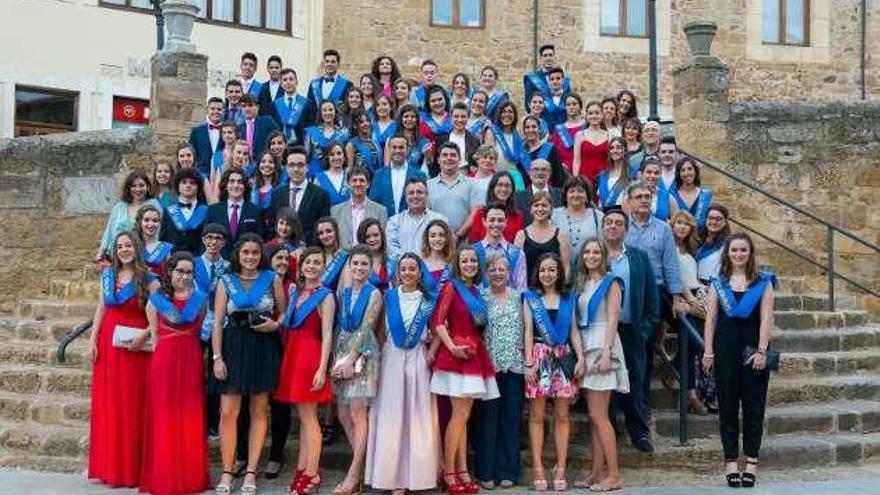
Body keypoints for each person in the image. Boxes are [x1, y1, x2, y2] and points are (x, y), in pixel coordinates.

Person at [211, 234, 286, 495]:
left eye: (255, 252)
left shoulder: (272, 279)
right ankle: (228, 470)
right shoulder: (225, 281)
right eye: (246, 252)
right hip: (233, 347)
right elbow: (218, 322)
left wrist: (276, 325)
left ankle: (251, 471)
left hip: (263, 347)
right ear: (238, 255)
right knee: (228, 411)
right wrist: (217, 357)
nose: (251, 257)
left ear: (261, 255)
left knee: (258, 411)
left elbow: (284, 312)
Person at [702, 233, 775, 488]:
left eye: (743, 250)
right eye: (734, 250)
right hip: (724, 350)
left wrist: (762, 351)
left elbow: (767, 318)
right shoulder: (718, 283)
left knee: (754, 407)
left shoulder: (764, 282)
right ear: (728, 253)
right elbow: (710, 319)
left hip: (754, 350)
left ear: (750, 252)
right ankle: (731, 462)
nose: (738, 254)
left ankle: (752, 462)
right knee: (728, 407)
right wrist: (708, 351)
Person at [365, 254, 441, 493]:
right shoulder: (388, 298)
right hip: (392, 358)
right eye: (403, 269)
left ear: (420, 273)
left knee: (417, 416)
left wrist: (432, 353)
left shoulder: (429, 299)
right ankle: (393, 477)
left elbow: (438, 329)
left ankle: (416, 475)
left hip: (418, 357)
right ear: (397, 273)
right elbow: (378, 331)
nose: (407, 272)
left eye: (412, 269)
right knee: (392, 416)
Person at [87, 231, 158, 488]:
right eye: (119, 246)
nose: (124, 250)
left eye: (128, 245)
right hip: (108, 346)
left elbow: (161, 313)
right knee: (110, 405)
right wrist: (93, 339)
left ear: (136, 248)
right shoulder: (108, 276)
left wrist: (145, 335)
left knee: (131, 405)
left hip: (134, 348)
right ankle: (109, 467)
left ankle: (132, 469)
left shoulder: (149, 278)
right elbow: (101, 308)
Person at [428, 246, 500, 495]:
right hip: (455, 355)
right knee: (458, 416)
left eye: (472, 260)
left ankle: (461, 469)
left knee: (464, 416)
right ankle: (449, 472)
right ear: (458, 264)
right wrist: (451, 347)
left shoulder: (476, 292)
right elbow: (438, 321)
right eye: (464, 260)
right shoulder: (451, 287)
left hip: (474, 353)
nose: (469, 264)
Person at [140, 252, 211, 495]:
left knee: (190, 413)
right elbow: (154, 335)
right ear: (170, 272)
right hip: (165, 359)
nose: (184, 276)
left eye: (189, 272)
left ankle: (191, 475)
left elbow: (199, 328)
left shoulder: (200, 299)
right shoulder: (156, 299)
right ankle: (166, 474)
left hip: (190, 356)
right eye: (180, 271)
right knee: (165, 413)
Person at [522, 252, 586, 491]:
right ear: (537, 274)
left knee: (562, 415)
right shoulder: (530, 298)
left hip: (563, 357)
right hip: (539, 356)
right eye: (542, 270)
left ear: (559, 273)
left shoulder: (568, 299)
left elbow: (574, 332)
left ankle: (560, 467)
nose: (547, 274)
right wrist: (528, 363)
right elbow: (528, 331)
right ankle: (538, 467)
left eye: (551, 270)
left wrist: (581, 358)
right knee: (537, 415)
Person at [625, 182, 684, 437]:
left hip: (654, 294)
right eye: (638, 197)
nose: (643, 201)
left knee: (645, 350)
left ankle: (642, 403)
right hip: (626, 292)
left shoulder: (662, 229)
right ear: (628, 201)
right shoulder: (619, 225)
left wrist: (677, 296)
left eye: (647, 196)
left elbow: (670, 264)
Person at [275, 247, 335, 495]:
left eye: (316, 262)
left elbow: (328, 333)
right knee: (303, 417)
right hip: (294, 354)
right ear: (301, 267)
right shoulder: (298, 293)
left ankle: (312, 473)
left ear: (323, 267)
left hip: (310, 357)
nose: (311, 266)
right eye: (308, 262)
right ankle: (302, 467)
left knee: (310, 419)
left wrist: (322, 369)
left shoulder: (325, 296)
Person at [601, 207, 659, 454]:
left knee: (635, 381)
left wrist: (644, 330)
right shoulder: (593, 254)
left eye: (618, 223)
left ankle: (639, 433)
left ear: (626, 230)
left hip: (631, 331)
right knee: (606, 385)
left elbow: (652, 299)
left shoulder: (638, 257)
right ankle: (607, 433)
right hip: (602, 332)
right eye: (609, 223)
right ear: (603, 228)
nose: (613, 226)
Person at [574, 239, 628, 492]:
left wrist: (607, 353)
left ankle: (614, 475)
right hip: (586, 346)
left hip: (603, 346)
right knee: (595, 416)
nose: (591, 255)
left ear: (604, 256)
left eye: (596, 252)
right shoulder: (582, 283)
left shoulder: (612, 282)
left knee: (599, 415)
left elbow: (613, 319)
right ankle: (596, 473)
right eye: (587, 251)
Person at [331, 246, 383, 494]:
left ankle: (353, 476)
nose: (359, 268)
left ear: (370, 267)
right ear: (349, 266)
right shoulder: (344, 292)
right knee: (342, 414)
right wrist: (337, 360)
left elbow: (366, 328)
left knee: (357, 412)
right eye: (355, 264)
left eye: (364, 264)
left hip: (363, 354)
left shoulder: (374, 294)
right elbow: (341, 327)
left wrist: (351, 360)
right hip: (342, 352)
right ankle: (364, 465)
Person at [472, 254, 525, 489]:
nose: (496, 273)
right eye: (492, 269)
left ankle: (508, 471)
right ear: (486, 272)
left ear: (509, 272)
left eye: (501, 268)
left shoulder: (519, 298)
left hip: (514, 366)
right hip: (488, 367)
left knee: (511, 420)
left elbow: (528, 330)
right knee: (487, 419)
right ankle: (486, 472)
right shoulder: (480, 297)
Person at [670, 211, 710, 415]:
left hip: (696, 293)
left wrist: (702, 289)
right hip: (682, 296)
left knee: (699, 340)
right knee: (693, 341)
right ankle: (691, 395)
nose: (682, 227)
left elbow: (692, 276)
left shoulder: (691, 250)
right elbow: (675, 277)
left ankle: (674, 370)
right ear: (672, 224)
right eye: (679, 223)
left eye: (686, 224)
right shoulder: (668, 249)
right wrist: (689, 300)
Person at [194, 223, 229, 440]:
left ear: (224, 242)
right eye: (209, 237)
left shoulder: (228, 266)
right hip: (196, 322)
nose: (213, 242)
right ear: (203, 240)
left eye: (218, 238)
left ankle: (214, 423)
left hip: (220, 323)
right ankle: (197, 419)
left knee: (216, 375)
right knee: (196, 374)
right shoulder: (193, 263)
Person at [269, 146, 331, 245]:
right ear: (286, 168)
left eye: (300, 165)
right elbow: (272, 226)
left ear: (307, 168)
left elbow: (322, 228)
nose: (296, 169)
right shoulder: (277, 194)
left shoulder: (321, 195)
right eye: (291, 165)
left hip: (309, 253)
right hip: (281, 252)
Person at [96, 170, 160, 263]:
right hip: (116, 255)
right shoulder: (119, 207)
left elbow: (157, 231)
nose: (138, 189)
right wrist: (101, 252)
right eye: (133, 186)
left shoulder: (153, 205)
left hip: (140, 257)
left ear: (148, 187)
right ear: (128, 188)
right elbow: (109, 231)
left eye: (141, 185)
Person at [552, 175, 604, 277]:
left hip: (589, 273)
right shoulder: (554, 215)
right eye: (572, 191)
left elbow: (603, 246)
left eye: (580, 191)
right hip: (559, 274)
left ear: (587, 196)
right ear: (565, 196)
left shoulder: (598, 216)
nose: (576, 194)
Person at [386, 177, 448, 261]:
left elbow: (447, 247)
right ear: (405, 196)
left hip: (433, 270)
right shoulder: (394, 222)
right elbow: (392, 249)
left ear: (427, 194)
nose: (415, 196)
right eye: (411, 193)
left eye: (419, 192)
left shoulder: (441, 220)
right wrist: (411, 264)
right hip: (405, 271)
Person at [207, 169, 264, 259]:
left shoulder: (255, 211)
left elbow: (260, 240)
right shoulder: (213, 210)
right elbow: (205, 240)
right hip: (219, 261)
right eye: (232, 181)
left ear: (245, 186)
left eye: (240, 182)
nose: (236, 185)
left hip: (246, 261)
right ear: (226, 186)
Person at [515, 192, 572, 282]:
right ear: (530, 209)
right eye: (536, 205)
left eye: (544, 205)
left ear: (551, 210)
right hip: (529, 292)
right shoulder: (521, 236)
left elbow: (566, 267)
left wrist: (561, 290)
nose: (540, 209)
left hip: (554, 291)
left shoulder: (561, 235)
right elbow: (517, 269)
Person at [472, 202, 528, 291]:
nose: (496, 224)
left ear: (506, 222)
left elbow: (521, 289)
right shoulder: (473, 252)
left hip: (510, 304)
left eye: (500, 220)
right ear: (484, 222)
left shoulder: (518, 254)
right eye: (492, 220)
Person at [428, 142, 481, 234]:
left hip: (464, 243)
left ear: (459, 160)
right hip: (436, 241)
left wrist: (459, 235)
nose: (449, 158)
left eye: (453, 155)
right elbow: (426, 215)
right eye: (445, 155)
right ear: (438, 160)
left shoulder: (472, 184)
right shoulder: (428, 185)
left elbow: (475, 213)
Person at [370, 135, 427, 218]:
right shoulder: (379, 174)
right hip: (385, 225)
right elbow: (373, 203)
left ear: (407, 150)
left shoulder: (419, 175)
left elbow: (424, 203)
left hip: (411, 225)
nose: (397, 151)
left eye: (401, 147)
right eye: (394, 147)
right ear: (389, 149)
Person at [331, 167, 388, 249]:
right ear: (348, 184)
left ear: (368, 184)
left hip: (370, 257)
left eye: (361, 180)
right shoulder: (335, 211)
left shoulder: (380, 211)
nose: (358, 184)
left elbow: (383, 241)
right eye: (354, 180)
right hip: (344, 259)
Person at [464, 171, 524, 244]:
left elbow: (518, 244)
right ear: (493, 187)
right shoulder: (481, 213)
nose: (503, 189)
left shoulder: (517, 216)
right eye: (500, 185)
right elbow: (474, 242)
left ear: (512, 189)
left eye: (507, 186)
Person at [160, 167, 208, 255]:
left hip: (197, 261)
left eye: (192, 183)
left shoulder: (206, 211)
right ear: (178, 186)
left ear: (198, 187)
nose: (188, 185)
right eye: (184, 182)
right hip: (174, 262)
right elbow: (163, 240)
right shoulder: (168, 211)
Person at [483, 100, 526, 190]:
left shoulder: (517, 134)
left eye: (510, 111)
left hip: (515, 176)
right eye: (504, 111)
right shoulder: (492, 131)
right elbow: (488, 157)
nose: (507, 114)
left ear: (514, 116)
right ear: (499, 114)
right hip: (497, 175)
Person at [305, 100, 350, 179]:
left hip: (337, 171)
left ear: (335, 112)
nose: (328, 113)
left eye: (330, 110)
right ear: (320, 113)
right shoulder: (312, 132)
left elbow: (347, 156)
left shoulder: (344, 133)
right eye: (324, 110)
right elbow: (306, 155)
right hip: (316, 171)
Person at [523, 44, 571, 113]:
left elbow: (569, 100)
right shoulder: (531, 79)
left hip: (562, 119)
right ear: (540, 58)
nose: (548, 58)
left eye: (550, 55)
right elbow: (528, 104)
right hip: (542, 120)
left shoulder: (565, 79)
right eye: (545, 56)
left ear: (555, 57)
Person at [521, 115, 567, 188]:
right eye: (527, 127)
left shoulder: (550, 149)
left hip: (547, 193)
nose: (530, 130)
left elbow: (559, 175)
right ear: (524, 130)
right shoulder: (520, 153)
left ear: (539, 129)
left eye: (534, 127)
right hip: (526, 193)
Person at [434, 103, 480, 174]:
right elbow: (435, 165)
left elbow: (476, 165)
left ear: (468, 118)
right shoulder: (441, 139)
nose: (459, 120)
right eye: (456, 116)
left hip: (466, 179)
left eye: (463, 117)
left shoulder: (474, 141)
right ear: (451, 118)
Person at [670, 157, 714, 230]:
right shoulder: (672, 195)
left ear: (695, 171)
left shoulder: (706, 195)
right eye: (683, 170)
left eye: (690, 169)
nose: (686, 173)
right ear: (678, 174)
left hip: (700, 239)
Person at [271, 68, 311, 146]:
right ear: (281, 84)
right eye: (285, 80)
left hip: (301, 146)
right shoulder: (274, 105)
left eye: (291, 79)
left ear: (296, 82)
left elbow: (310, 128)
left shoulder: (307, 103)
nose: (288, 82)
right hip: (280, 147)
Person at [514, 158, 563, 224]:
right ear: (529, 173)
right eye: (536, 169)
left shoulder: (560, 195)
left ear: (550, 173)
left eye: (544, 169)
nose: (540, 173)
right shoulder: (518, 197)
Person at [572, 100, 609, 182]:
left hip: (604, 177)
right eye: (591, 113)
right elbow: (576, 161)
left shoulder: (609, 135)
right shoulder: (580, 135)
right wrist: (576, 180)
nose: (594, 116)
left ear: (602, 115)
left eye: (597, 113)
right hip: (584, 177)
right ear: (587, 116)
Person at [549, 93, 587, 174]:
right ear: (565, 108)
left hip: (585, 168)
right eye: (568, 104)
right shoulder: (558, 130)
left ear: (580, 107)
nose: (571, 107)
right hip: (565, 172)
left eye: (574, 104)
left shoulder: (587, 126)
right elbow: (555, 153)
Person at [190, 97, 226, 177]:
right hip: (201, 174)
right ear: (207, 110)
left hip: (223, 174)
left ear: (223, 112)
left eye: (219, 109)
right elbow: (192, 154)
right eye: (212, 109)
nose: (216, 111)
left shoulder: (228, 131)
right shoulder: (196, 131)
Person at [237, 94, 279, 160]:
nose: (247, 109)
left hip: (265, 163)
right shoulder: (239, 128)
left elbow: (278, 140)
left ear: (258, 107)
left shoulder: (267, 121)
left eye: (250, 105)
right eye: (243, 106)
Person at [136, 204, 173, 277]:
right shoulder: (133, 245)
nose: (151, 224)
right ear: (140, 222)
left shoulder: (165, 247)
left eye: (155, 220)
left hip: (159, 286)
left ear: (159, 223)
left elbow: (169, 273)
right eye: (146, 220)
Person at [394, 104, 433, 173]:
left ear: (417, 120)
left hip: (416, 178)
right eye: (406, 116)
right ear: (400, 119)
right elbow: (387, 164)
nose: (409, 119)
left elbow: (429, 165)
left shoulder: (424, 142)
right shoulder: (392, 140)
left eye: (413, 116)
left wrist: (428, 157)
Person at [697, 204, 731, 284]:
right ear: (705, 219)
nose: (714, 222)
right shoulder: (697, 239)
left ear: (725, 222)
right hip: (695, 284)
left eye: (718, 219)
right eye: (710, 218)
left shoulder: (729, 243)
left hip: (715, 287)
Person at [312, 217, 348, 292]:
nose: (325, 236)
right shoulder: (313, 256)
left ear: (336, 232)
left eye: (328, 231)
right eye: (321, 233)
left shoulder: (345, 257)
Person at [421, 219, 455, 293]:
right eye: (433, 236)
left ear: (447, 238)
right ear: (427, 239)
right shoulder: (419, 265)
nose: (437, 239)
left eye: (441, 235)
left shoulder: (454, 264)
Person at [596, 136, 632, 208]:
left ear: (625, 150)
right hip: (606, 214)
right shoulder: (603, 175)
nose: (615, 151)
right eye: (612, 148)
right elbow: (600, 200)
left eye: (619, 147)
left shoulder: (633, 173)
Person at [638, 157, 678, 222]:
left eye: (656, 173)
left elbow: (677, 222)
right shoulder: (629, 195)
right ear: (641, 174)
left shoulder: (668, 198)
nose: (652, 175)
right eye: (649, 172)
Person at [357, 218, 392, 291]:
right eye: (367, 237)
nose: (372, 239)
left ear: (382, 236)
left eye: (376, 235)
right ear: (362, 239)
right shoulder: (356, 262)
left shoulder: (392, 259)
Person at [313, 141, 350, 207]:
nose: (336, 157)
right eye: (332, 154)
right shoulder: (319, 179)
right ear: (327, 158)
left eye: (339, 153)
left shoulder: (351, 176)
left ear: (344, 156)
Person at [419, 85, 453, 150]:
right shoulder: (421, 118)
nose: (437, 103)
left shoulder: (454, 117)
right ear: (428, 103)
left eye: (440, 99)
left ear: (445, 99)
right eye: (433, 101)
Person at [251, 151, 281, 222]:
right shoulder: (251, 187)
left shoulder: (280, 189)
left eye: (271, 162)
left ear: (275, 166)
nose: (266, 165)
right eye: (263, 162)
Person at [371, 94, 398, 165]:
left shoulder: (397, 126)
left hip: (392, 165)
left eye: (385, 104)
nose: (381, 107)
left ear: (391, 107)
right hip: (373, 166)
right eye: (378, 105)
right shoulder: (371, 127)